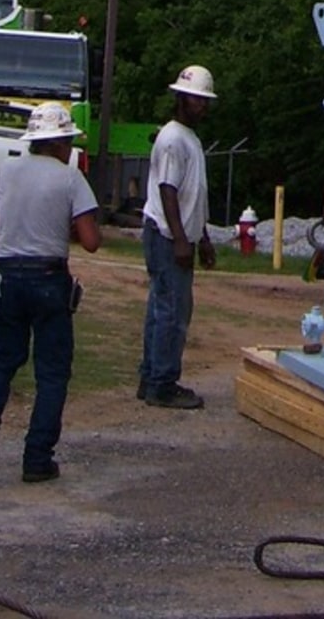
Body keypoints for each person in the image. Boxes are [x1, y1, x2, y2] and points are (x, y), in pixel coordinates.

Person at [0, 101, 101, 484]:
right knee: (52, 372)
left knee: (3, 359)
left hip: (7, 276)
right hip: (48, 278)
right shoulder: (70, 178)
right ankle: (36, 457)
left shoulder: (7, 170)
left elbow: (6, 215)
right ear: (59, 142)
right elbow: (91, 241)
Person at [138, 62, 217, 409]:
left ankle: (151, 376)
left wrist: (204, 238)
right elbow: (168, 191)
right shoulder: (173, 139)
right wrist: (182, 240)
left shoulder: (189, 138)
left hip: (178, 234)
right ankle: (162, 383)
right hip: (167, 236)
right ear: (181, 99)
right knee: (172, 310)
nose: (202, 106)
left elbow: (192, 193)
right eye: (196, 100)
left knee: (162, 307)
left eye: (204, 101)